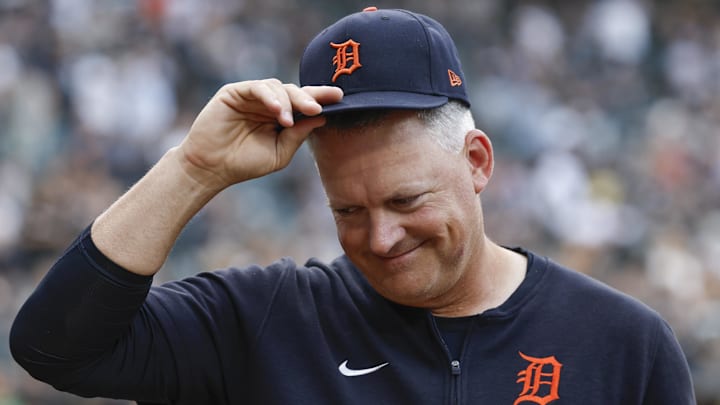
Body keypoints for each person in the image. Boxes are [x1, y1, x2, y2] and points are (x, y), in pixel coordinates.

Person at [10, 7, 695, 405]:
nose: (381, 236)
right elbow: (55, 347)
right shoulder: (268, 319)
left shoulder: (622, 343)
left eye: (406, 199)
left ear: (478, 161)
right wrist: (194, 168)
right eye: (348, 211)